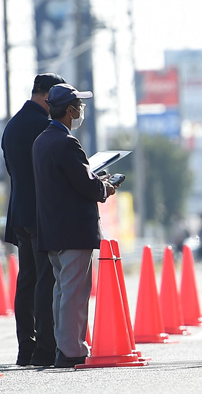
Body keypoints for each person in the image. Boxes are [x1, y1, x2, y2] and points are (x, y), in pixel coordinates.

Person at [32, 83, 118, 368]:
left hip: (52, 229)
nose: (80, 111)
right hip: (74, 229)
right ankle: (72, 350)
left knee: (61, 290)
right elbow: (86, 185)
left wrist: (94, 181)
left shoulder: (41, 140)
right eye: (78, 106)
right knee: (74, 293)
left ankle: (64, 346)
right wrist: (104, 187)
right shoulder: (67, 142)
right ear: (70, 110)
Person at [1, 73, 66, 366]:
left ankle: (25, 346)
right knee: (45, 278)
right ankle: (46, 347)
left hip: (19, 212)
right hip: (42, 212)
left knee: (26, 279)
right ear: (48, 96)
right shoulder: (44, 126)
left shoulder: (11, 125)